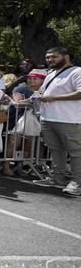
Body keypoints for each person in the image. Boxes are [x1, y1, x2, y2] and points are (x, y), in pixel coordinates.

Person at [33, 46, 81, 196]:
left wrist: (54, 98)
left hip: (69, 119)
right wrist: (37, 95)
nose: (49, 60)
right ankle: (57, 177)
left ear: (65, 57)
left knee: (76, 152)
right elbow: (43, 92)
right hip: (48, 118)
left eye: (54, 57)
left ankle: (77, 182)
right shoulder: (51, 73)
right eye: (47, 57)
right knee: (55, 150)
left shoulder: (76, 71)